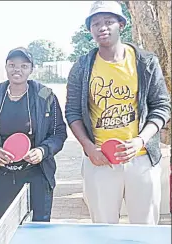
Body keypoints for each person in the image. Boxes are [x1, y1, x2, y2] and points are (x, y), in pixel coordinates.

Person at [65, 1, 171, 225]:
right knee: (103, 230)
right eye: (96, 24)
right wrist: (88, 147)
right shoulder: (82, 66)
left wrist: (141, 140)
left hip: (141, 160)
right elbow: (72, 112)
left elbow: (162, 106)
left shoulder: (145, 62)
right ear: (90, 30)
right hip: (100, 160)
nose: (102, 27)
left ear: (121, 24)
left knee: (145, 232)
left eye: (108, 22)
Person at [0, 47, 67, 222]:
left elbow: (58, 133)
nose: (17, 70)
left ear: (31, 69)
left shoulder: (45, 95)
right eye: (12, 65)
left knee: (38, 230)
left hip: (37, 174)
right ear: (6, 67)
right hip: (1, 175)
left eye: (24, 66)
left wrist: (43, 151)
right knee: (7, 229)